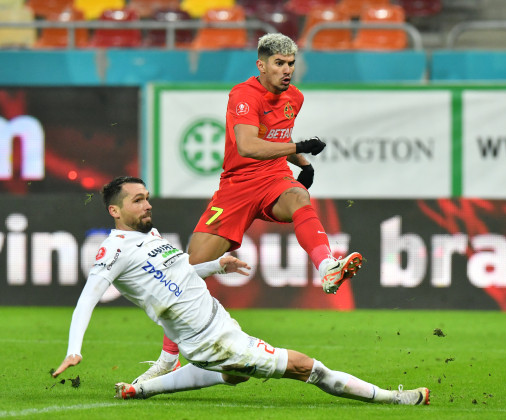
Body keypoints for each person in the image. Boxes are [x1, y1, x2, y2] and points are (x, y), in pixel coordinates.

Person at [53, 176, 430, 406]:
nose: (148, 203)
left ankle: (142, 391)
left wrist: (217, 265)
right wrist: (74, 349)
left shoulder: (150, 237)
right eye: (138, 200)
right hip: (209, 340)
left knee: (234, 376)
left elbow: (181, 272)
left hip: (217, 327)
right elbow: (88, 297)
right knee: (306, 367)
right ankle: (392, 397)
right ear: (115, 212)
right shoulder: (113, 250)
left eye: (147, 196)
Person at [133, 32, 364, 384]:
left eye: (290, 64)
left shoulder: (294, 97)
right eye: (279, 63)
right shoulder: (243, 95)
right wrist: (299, 146)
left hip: (273, 179)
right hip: (236, 188)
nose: (287, 70)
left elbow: (276, 139)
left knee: (301, 198)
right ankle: (169, 357)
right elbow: (248, 145)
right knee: (190, 268)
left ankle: (328, 267)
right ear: (261, 65)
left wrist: (303, 163)